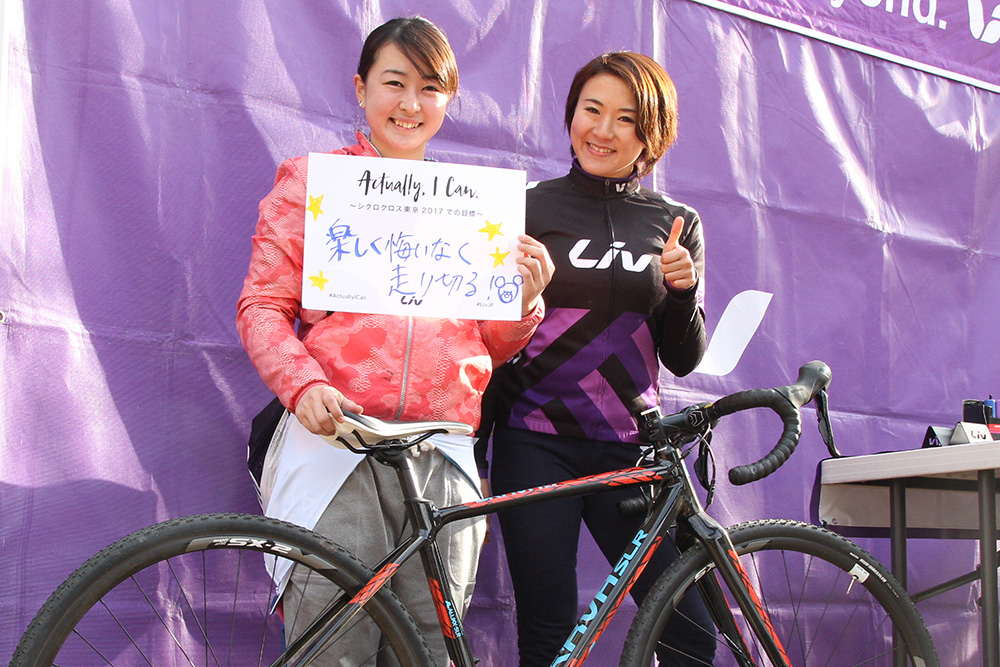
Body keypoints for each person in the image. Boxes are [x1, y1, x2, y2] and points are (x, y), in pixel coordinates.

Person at [236, 16, 553, 664]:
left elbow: (492, 345)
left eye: (430, 87)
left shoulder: (474, 206)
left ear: (449, 99)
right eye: (394, 82)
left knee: (432, 652)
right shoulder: (311, 182)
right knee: (332, 647)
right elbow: (263, 305)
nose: (411, 103)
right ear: (360, 88)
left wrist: (525, 300)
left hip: (443, 451)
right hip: (338, 444)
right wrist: (303, 384)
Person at [486, 52, 716, 665]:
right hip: (534, 441)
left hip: (631, 452)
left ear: (652, 134)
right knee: (549, 637)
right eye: (592, 110)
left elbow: (683, 358)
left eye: (626, 119)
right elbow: (491, 337)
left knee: (690, 634)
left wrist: (683, 293)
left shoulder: (676, 222)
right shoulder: (526, 207)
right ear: (571, 115)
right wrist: (478, 450)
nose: (603, 130)